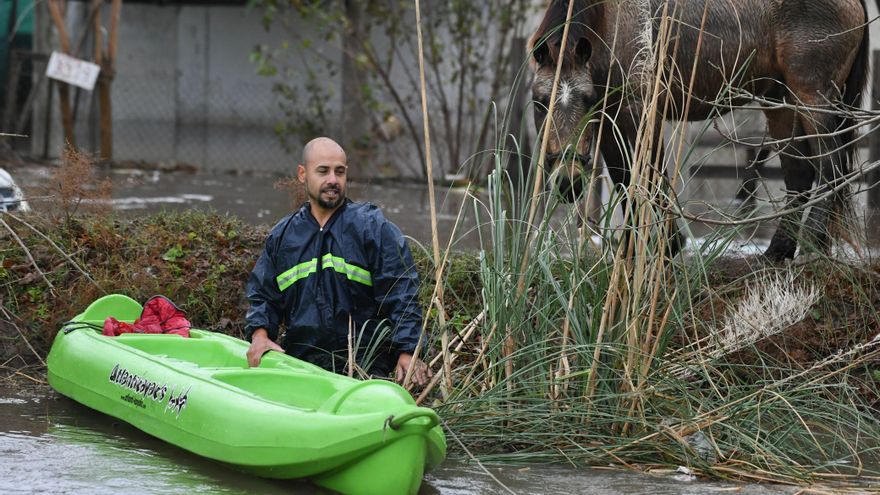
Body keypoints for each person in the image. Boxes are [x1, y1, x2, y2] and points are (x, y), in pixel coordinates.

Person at [244, 137, 431, 386]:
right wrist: (260, 335)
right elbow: (263, 295)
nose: (333, 179)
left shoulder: (373, 228)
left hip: (365, 371)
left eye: (339, 172)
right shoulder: (283, 236)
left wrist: (408, 352)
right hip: (300, 367)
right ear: (302, 174)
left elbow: (402, 293)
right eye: (323, 171)